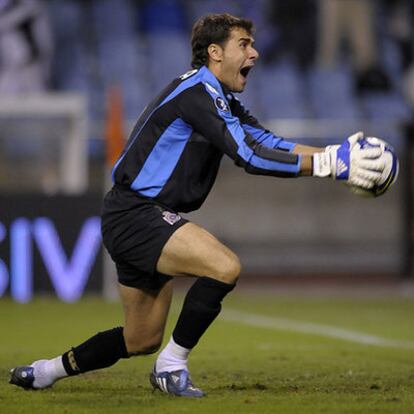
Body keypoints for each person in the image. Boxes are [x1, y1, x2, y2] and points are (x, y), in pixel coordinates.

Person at [9, 13, 389, 398]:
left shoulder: (218, 97)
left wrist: (335, 157)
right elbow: (249, 156)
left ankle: (44, 371)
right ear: (214, 52)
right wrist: (328, 164)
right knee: (224, 266)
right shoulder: (198, 93)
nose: (254, 53)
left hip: (139, 215)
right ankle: (171, 367)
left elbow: (268, 142)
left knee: (139, 338)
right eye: (244, 44)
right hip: (136, 213)